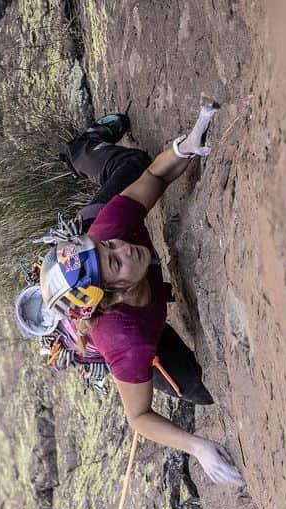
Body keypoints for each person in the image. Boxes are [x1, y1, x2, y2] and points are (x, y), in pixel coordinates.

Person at [38, 104, 244, 487]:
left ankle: (84, 147)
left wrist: (184, 148)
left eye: (110, 248)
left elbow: (156, 174)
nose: (124, 250)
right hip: (139, 331)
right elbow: (138, 416)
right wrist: (197, 447)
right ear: (111, 295)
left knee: (132, 164)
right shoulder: (125, 340)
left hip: (103, 257)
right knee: (196, 389)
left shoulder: (109, 229)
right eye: (114, 264)